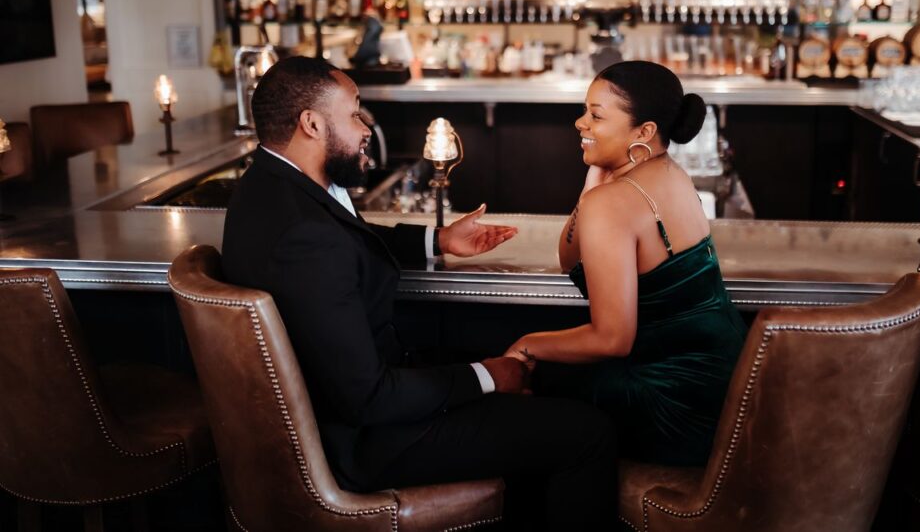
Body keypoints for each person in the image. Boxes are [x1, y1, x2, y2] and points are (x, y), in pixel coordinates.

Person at [222, 56, 617, 529]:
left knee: (541, 385)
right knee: (587, 434)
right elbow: (369, 397)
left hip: (359, 406)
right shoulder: (306, 238)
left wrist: (438, 239)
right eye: (354, 113)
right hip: (367, 441)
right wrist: (489, 377)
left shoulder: (268, 187)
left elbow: (349, 238)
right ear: (311, 124)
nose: (365, 129)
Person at [505, 60, 747, 467]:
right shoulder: (669, 172)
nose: (580, 123)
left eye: (596, 116)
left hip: (674, 402)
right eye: (584, 111)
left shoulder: (615, 201)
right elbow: (569, 259)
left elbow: (612, 339)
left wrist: (527, 343)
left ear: (644, 132)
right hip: (724, 384)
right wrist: (592, 185)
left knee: (520, 405)